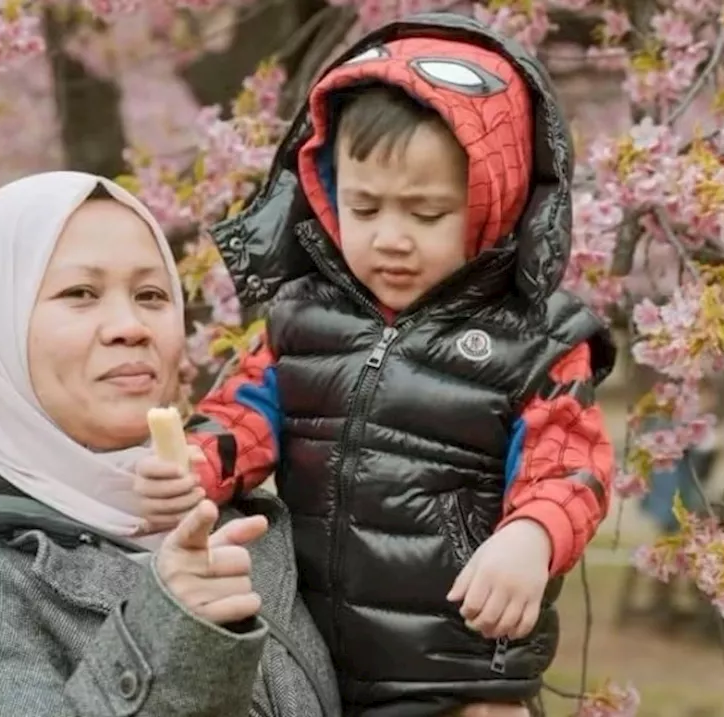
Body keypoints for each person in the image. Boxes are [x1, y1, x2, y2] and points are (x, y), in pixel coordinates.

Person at [134, 12, 616, 717]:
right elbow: (242, 416)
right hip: (312, 663)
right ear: (329, 192)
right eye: (365, 208)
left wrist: (531, 537)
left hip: (460, 672)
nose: (390, 239)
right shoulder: (305, 319)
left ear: (494, 205)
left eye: (425, 215)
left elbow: (571, 465)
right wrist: (195, 468)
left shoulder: (533, 340)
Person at [0, 171, 341, 717]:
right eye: (80, 294)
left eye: (152, 295)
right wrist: (170, 633)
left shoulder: (256, 530)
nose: (130, 326)